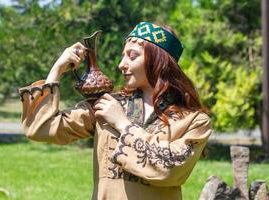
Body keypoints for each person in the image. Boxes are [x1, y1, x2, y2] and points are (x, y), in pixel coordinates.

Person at [19, 22, 212, 200]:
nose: (121, 65)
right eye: (123, 55)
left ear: (158, 60)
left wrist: (122, 123)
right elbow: (40, 128)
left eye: (132, 56)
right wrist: (57, 70)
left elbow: (169, 170)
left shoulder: (195, 121)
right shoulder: (106, 105)